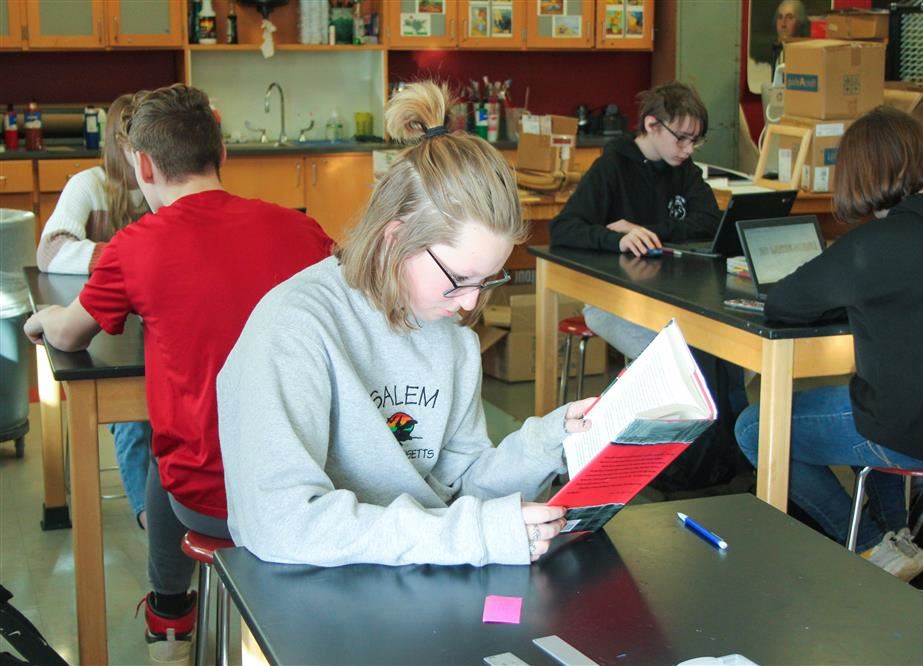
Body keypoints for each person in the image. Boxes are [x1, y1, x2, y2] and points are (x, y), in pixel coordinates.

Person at [216, 81, 595, 568]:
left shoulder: (447, 330)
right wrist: (472, 534)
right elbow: (279, 522)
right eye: (460, 279)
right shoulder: (295, 327)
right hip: (315, 585)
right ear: (396, 239)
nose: (470, 304)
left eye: (487, 279)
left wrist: (548, 442)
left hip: (415, 574)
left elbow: (458, 488)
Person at [23, 84, 333, 663]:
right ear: (222, 152)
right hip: (313, 482)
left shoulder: (133, 246)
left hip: (212, 498)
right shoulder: (302, 231)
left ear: (142, 163)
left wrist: (42, 320)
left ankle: (171, 619)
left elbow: (70, 333)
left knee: (176, 455)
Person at [734, 106, 923, 581]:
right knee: (864, 395)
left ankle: (871, 545)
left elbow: (785, 305)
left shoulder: (876, 244)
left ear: (865, 174)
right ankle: (901, 539)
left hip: (920, 435)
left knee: (756, 426)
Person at [548, 82, 749, 494]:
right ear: (652, 125)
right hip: (613, 303)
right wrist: (614, 238)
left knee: (726, 355)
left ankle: (716, 461)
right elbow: (563, 229)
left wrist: (647, 232)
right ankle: (657, 461)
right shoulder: (612, 168)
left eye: (696, 140)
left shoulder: (684, 173)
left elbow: (709, 222)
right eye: (682, 138)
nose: (689, 149)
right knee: (676, 362)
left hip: (677, 302)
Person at [36, 94, 153, 529]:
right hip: (104, 326)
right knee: (133, 422)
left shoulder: (167, 184)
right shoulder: (90, 184)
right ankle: (148, 517)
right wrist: (131, 256)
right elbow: (51, 250)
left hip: (155, 321)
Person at [769, 0, 810, 82]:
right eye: (780, 17)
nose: (783, 24)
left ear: (800, 22)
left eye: (789, 17)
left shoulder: (807, 55)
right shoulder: (775, 52)